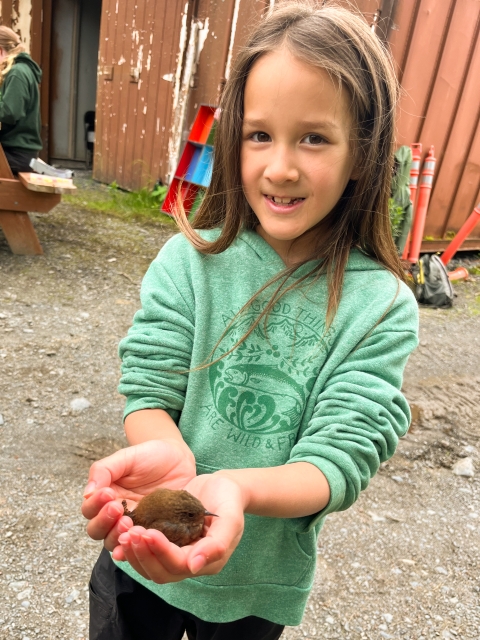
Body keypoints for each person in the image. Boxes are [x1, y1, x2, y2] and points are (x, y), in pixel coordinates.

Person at [82, 2, 419, 639]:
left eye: (314, 137)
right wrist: (170, 456)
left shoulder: (381, 309)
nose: (281, 166)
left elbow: (338, 458)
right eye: (259, 134)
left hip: (257, 587)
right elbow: (149, 387)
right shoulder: (191, 260)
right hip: (142, 555)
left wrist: (233, 487)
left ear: (365, 154)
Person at [0, 25, 42, 174]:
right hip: (17, 152)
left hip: (17, 154)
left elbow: (9, 112)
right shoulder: (19, 70)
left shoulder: (17, 72)